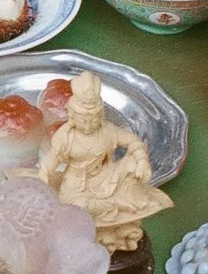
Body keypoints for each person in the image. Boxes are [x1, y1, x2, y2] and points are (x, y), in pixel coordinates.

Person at [28, 72, 171, 252]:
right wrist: (43, 178)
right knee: (80, 206)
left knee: (130, 164)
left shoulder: (107, 131)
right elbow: (52, 160)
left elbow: (134, 142)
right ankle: (115, 208)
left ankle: (122, 205)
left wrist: (142, 161)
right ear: (72, 116)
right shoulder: (66, 136)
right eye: (83, 120)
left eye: (93, 119)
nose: (88, 125)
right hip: (76, 186)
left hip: (105, 176)